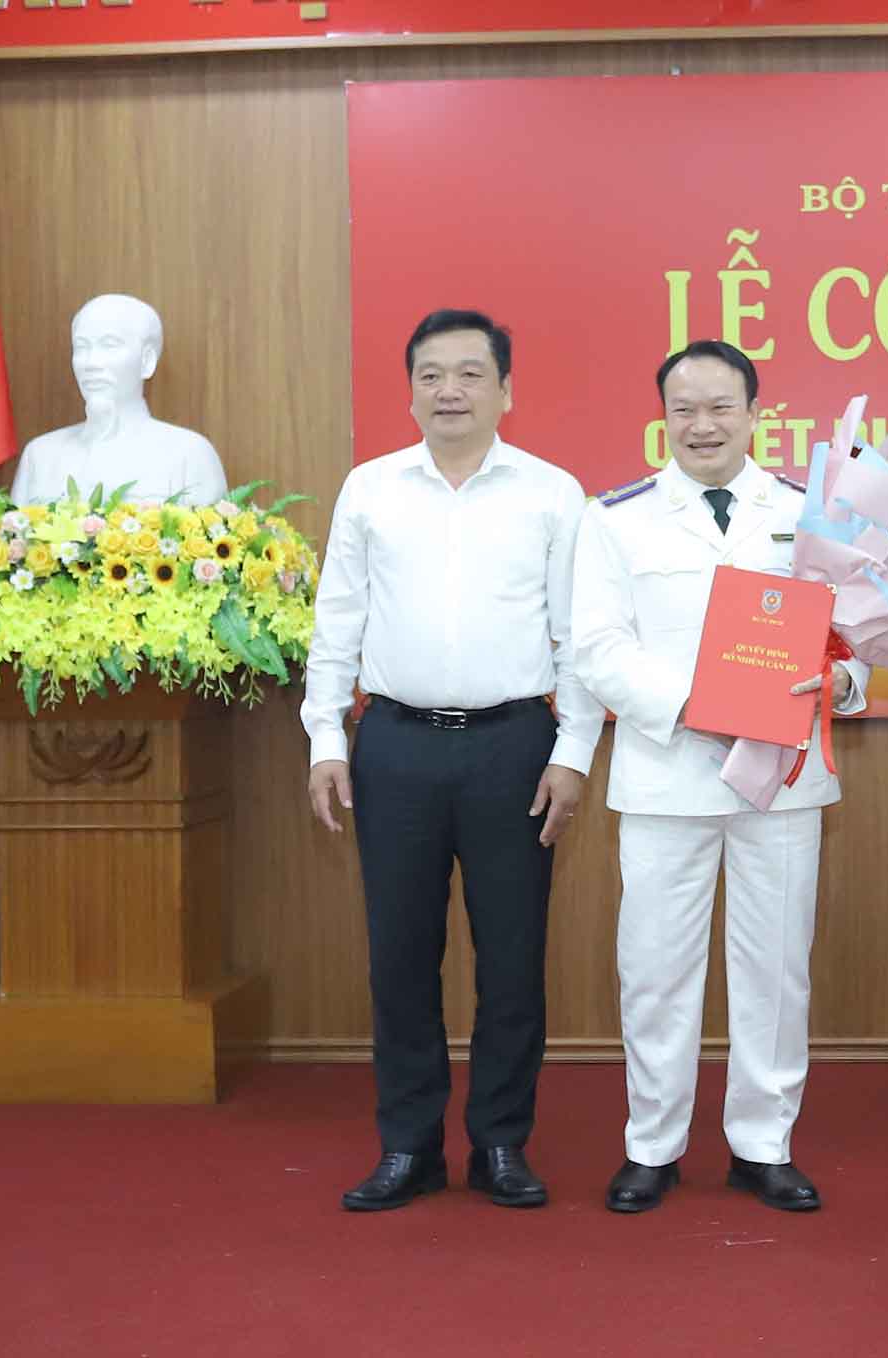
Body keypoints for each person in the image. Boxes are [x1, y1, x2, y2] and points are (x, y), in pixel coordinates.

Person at [300, 309, 603, 1212]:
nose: (450, 391)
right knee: (400, 956)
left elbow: (576, 636)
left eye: (471, 374)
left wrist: (574, 750)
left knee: (512, 959)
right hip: (392, 745)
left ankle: (502, 1144)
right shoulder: (371, 489)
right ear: (411, 390)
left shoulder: (553, 493)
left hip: (515, 746)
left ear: (506, 390)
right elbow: (337, 620)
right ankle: (409, 1145)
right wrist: (325, 736)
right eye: (432, 375)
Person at [571, 339, 869, 1215]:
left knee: (776, 966)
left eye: (721, 407)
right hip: (667, 776)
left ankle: (762, 1143)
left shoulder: (806, 514)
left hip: (781, 778)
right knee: (656, 967)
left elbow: (853, 634)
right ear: (663, 416)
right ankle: (652, 1146)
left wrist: (845, 680)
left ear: (754, 412)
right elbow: (597, 647)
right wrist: (699, 706)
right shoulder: (616, 517)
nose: (703, 424)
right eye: (685, 408)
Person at [10, 293, 228, 506]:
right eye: (82, 347)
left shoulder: (189, 455)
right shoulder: (40, 455)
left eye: (110, 344)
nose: (91, 363)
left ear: (147, 360)